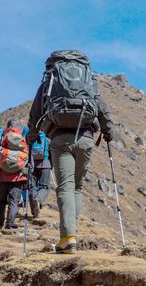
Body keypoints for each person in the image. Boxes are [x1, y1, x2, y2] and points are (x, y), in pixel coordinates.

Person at [27, 50, 114, 254]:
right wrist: (108, 132)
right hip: (85, 139)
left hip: (60, 139)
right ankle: (71, 234)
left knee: (65, 187)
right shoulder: (88, 81)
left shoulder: (50, 82)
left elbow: (35, 114)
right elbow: (101, 107)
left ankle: (68, 238)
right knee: (77, 187)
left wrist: (31, 139)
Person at [0, 121, 28, 229]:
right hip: (18, 177)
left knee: (1, 202)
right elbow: (29, 162)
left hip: (1, 177)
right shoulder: (23, 144)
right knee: (14, 201)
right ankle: (10, 222)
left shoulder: (0, 143)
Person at [22, 128, 52, 218]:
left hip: (31, 165)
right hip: (45, 164)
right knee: (45, 187)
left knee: (32, 188)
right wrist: (51, 166)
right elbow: (52, 154)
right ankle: (38, 200)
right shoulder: (47, 140)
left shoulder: (28, 138)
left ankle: (35, 213)